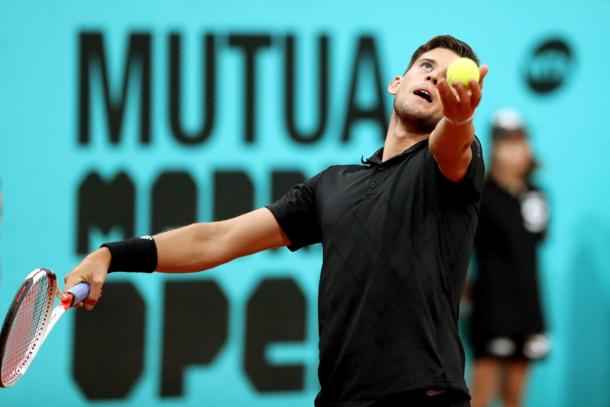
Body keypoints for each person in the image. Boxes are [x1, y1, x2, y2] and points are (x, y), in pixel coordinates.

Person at [64, 35, 488, 407]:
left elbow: (453, 147)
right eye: (426, 67)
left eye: (447, 77)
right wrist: (111, 254)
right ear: (397, 82)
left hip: (423, 398)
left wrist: (459, 119)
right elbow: (218, 239)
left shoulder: (444, 167)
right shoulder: (333, 186)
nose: (433, 78)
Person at [468, 109, 550, 407]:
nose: (513, 148)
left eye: (519, 140)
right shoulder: (481, 194)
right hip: (491, 307)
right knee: (480, 396)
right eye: (506, 141)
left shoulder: (536, 195)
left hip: (527, 307)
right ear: (495, 146)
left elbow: (535, 238)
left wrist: (526, 186)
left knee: (515, 395)